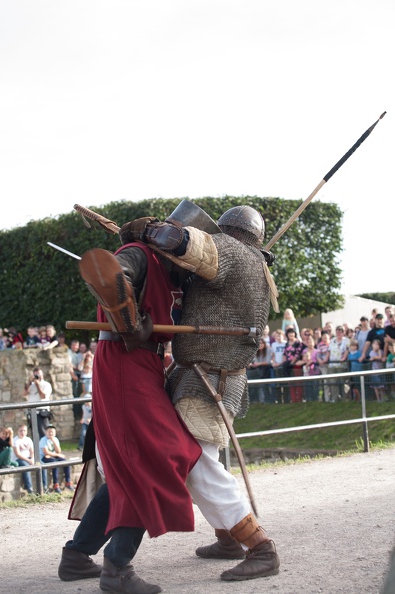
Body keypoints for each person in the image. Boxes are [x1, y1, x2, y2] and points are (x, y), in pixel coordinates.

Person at [123, 203, 280, 582]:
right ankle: (227, 538)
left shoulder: (231, 251)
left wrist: (150, 232)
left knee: (198, 464)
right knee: (203, 459)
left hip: (207, 380)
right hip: (207, 376)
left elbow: (182, 242)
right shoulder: (255, 264)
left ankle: (260, 547)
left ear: (226, 230)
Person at [59, 201, 206, 593]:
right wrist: (128, 326)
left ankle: (77, 555)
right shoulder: (138, 254)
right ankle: (117, 568)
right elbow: (111, 276)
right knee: (160, 456)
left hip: (143, 366)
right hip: (124, 363)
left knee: (134, 465)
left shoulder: (168, 270)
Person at [39, 425, 73, 494]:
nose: (50, 434)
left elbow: (58, 450)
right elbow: (46, 452)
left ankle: (68, 482)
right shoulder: (43, 440)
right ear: (46, 432)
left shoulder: (55, 439)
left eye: (52, 432)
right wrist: (57, 455)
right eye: (49, 432)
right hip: (44, 457)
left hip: (53, 456)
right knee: (54, 463)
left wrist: (54, 442)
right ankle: (56, 484)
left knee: (65, 461)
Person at [24, 367, 53, 437]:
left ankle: (44, 447)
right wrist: (29, 382)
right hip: (32, 412)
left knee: (43, 433)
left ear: (42, 375)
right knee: (34, 434)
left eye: (38, 375)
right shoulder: (31, 385)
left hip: (41, 412)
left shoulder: (46, 385)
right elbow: (24, 393)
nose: (37, 377)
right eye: (35, 375)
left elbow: (43, 396)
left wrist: (38, 385)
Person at [327, 325, 349, 402]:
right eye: (337, 331)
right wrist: (326, 360)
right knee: (333, 382)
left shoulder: (346, 340)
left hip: (341, 365)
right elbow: (329, 351)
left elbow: (347, 350)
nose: (339, 333)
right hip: (332, 364)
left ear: (343, 332)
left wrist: (343, 358)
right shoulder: (332, 340)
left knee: (342, 382)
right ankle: (334, 398)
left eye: (341, 331)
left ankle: (344, 398)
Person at [282, 327, 304, 403]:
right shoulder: (287, 343)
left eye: (292, 333)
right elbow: (284, 354)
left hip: (296, 365)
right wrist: (285, 363)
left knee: (298, 383)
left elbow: (298, 354)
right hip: (288, 366)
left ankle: (299, 399)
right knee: (290, 383)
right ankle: (293, 399)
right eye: (289, 333)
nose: (291, 334)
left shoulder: (298, 343)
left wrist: (291, 363)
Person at [13, 424, 35, 494]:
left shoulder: (28, 439)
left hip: (28, 458)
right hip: (18, 459)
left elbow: (32, 451)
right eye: (21, 431)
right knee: (26, 466)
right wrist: (28, 460)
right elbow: (18, 454)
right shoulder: (15, 440)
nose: (22, 432)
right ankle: (29, 487)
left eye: (24, 430)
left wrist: (32, 459)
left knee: (41, 464)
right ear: (17, 431)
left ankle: (44, 485)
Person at [316, 331, 331, 402]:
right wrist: (320, 361)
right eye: (323, 337)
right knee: (325, 383)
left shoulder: (332, 344)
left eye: (326, 337)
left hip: (331, 365)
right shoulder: (320, 345)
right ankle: (326, 399)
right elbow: (318, 355)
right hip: (323, 366)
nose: (325, 338)